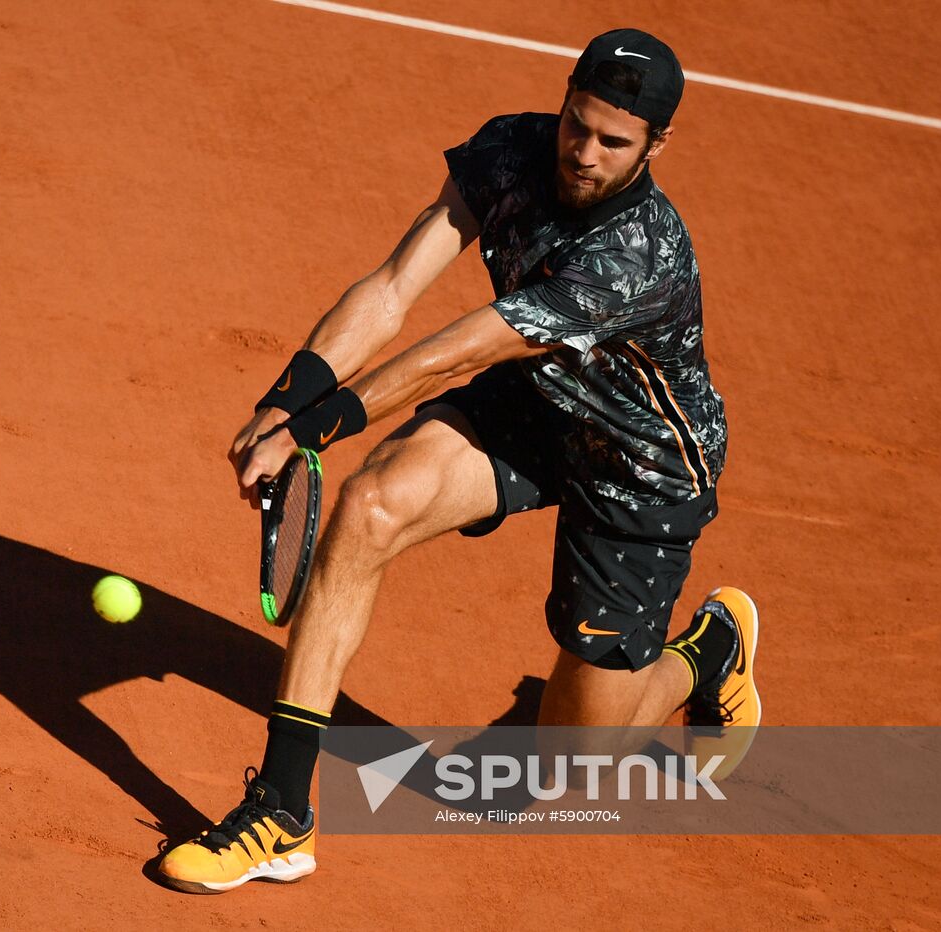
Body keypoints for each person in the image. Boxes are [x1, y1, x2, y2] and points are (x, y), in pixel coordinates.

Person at [158, 28, 760, 895]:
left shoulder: (636, 256)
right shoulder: (511, 150)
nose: (583, 153)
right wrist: (285, 402)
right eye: (576, 124)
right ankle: (283, 812)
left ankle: (710, 648)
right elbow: (395, 286)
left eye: (613, 142)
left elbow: (449, 354)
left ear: (657, 145)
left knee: (567, 769)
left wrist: (314, 433)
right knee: (369, 506)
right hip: (540, 401)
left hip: (642, 464)